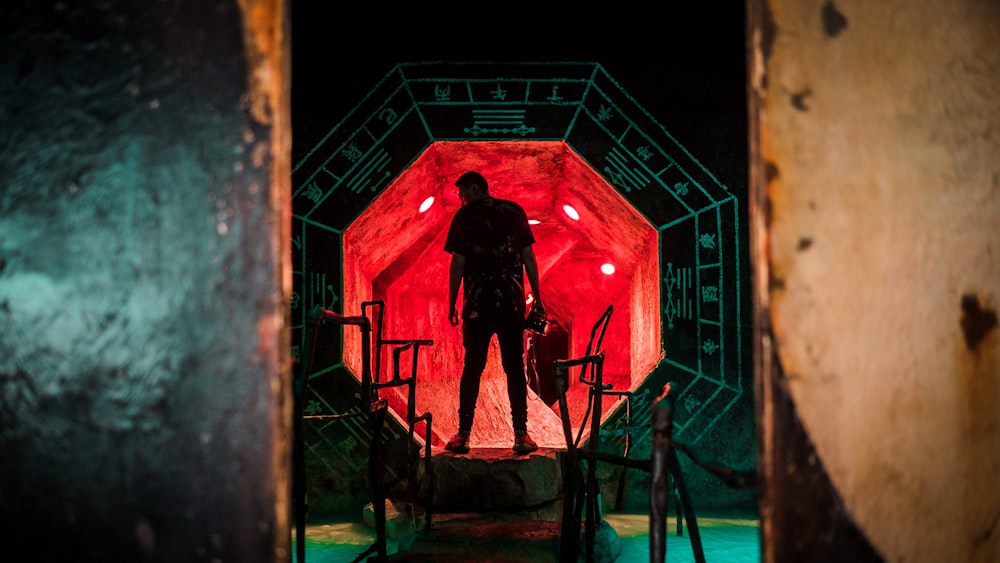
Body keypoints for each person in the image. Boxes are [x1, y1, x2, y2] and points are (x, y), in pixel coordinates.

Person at [443, 171, 544, 455]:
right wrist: (538, 298)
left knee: (472, 367)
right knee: (514, 368)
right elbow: (528, 257)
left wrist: (451, 302)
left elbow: (458, 263)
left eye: (462, 194)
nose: (461, 200)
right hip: (511, 306)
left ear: (475, 188)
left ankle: (463, 435)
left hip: (477, 307)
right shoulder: (514, 211)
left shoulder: (463, 218)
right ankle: (521, 435)